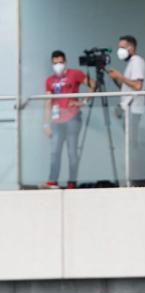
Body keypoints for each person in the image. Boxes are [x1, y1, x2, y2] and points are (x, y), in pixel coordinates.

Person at [43, 50, 94, 189]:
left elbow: (93, 84)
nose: (58, 65)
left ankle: (72, 182)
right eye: (55, 63)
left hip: (73, 118)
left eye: (60, 62)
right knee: (54, 152)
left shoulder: (75, 74)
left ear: (65, 62)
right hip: (56, 120)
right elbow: (48, 102)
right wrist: (46, 124)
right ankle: (52, 181)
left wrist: (82, 102)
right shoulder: (50, 80)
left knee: (72, 152)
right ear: (52, 64)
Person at [107, 35, 145, 182]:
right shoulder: (131, 64)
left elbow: (137, 85)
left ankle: (134, 179)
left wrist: (120, 76)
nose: (120, 51)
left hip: (133, 111)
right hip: (127, 110)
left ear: (132, 48)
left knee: (132, 146)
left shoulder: (137, 62)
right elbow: (129, 87)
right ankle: (131, 178)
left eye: (123, 47)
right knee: (129, 145)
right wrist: (118, 79)